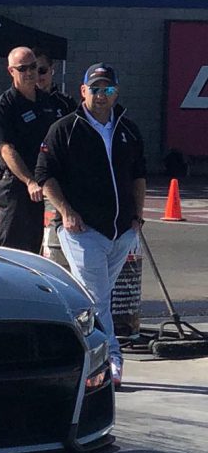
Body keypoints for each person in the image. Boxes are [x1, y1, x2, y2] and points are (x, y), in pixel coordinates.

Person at [35, 63, 147, 389]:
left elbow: (138, 175)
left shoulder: (129, 129)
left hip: (121, 232)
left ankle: (78, 351)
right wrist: (67, 212)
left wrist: (137, 218)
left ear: (116, 92)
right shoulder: (65, 128)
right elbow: (45, 175)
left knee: (96, 298)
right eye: (95, 89)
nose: (101, 95)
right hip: (82, 231)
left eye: (108, 89)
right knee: (97, 298)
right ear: (83, 91)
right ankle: (112, 361)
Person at [0, 46, 60, 252]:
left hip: (41, 188)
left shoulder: (46, 101)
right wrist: (29, 181)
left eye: (34, 67)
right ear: (11, 71)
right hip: (17, 186)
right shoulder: (5, 105)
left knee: (33, 251)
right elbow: (6, 149)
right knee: (13, 252)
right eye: (22, 69)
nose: (30, 73)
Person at [32, 48, 76, 117]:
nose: (38, 76)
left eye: (42, 70)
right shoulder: (23, 102)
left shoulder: (67, 103)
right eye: (33, 71)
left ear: (51, 69)